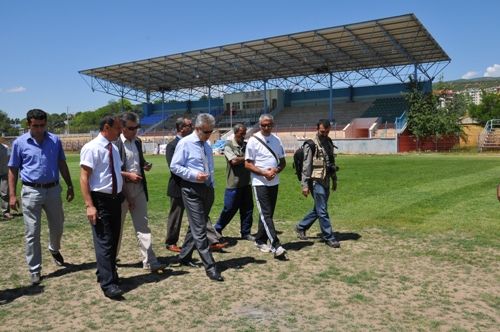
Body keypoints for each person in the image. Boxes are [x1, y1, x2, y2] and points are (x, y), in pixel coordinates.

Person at [8, 109, 74, 285]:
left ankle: (54, 248)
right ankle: (35, 269)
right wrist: (12, 195)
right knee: (32, 232)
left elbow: (62, 163)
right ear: (28, 124)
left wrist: (69, 185)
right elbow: (13, 169)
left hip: (53, 190)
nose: (39, 129)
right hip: (31, 191)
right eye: (35, 125)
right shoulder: (19, 143)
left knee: (58, 226)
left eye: (42, 125)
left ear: (46, 124)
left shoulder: (54, 140)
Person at [170, 113, 224, 282]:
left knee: (195, 225)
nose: (209, 135)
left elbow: (210, 166)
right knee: (200, 229)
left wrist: (211, 184)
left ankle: (184, 256)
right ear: (197, 128)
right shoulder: (185, 143)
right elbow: (174, 166)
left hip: (207, 189)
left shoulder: (207, 145)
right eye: (206, 132)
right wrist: (194, 175)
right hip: (192, 189)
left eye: (211, 131)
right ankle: (210, 267)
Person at [80, 115, 124, 299]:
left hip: (116, 199)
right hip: (101, 200)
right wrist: (90, 205)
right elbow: (84, 178)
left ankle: (107, 273)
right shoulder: (91, 148)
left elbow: (113, 172)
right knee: (104, 240)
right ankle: (108, 284)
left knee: (113, 239)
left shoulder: (113, 147)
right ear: (107, 127)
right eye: (118, 128)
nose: (121, 132)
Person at [115, 112, 165, 272]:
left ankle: (150, 261)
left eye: (137, 127)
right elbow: (112, 170)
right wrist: (128, 175)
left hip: (138, 189)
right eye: (131, 128)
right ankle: (111, 258)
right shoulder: (115, 144)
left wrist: (145, 165)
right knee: (117, 228)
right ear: (122, 127)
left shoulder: (137, 142)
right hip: (120, 191)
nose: (135, 130)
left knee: (143, 226)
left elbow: (139, 162)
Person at [244, 114, 287, 259]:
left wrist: (276, 170)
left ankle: (260, 239)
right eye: (263, 125)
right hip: (259, 182)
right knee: (266, 214)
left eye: (269, 125)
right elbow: (247, 163)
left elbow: (283, 162)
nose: (266, 127)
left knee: (268, 214)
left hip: (274, 182)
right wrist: (263, 173)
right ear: (259, 125)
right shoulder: (253, 140)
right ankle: (276, 245)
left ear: (273, 125)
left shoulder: (277, 140)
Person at [295, 119, 341, 248]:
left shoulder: (329, 142)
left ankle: (301, 227)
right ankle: (329, 237)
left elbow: (331, 163)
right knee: (322, 210)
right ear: (317, 129)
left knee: (319, 209)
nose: (325, 134)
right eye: (322, 131)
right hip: (315, 181)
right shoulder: (310, 145)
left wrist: (334, 180)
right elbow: (306, 166)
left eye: (327, 131)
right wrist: (304, 185)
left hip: (326, 180)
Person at [214, 123, 254, 240]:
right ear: (235, 133)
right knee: (229, 208)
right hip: (233, 184)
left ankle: (245, 232)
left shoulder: (246, 145)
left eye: (245, 133)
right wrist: (247, 157)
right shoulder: (229, 145)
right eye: (241, 133)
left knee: (247, 209)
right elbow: (234, 161)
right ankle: (217, 228)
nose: (244, 135)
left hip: (246, 183)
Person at [165, 116, 192, 253]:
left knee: (200, 214)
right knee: (176, 217)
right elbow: (173, 167)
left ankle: (212, 240)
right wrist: (192, 173)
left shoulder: (191, 143)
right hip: (178, 186)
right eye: (189, 125)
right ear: (181, 128)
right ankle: (171, 242)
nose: (192, 127)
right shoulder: (172, 145)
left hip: (193, 185)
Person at [0, 141, 12, 220]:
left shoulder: (6, 148)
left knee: (4, 193)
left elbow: (11, 159)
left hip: (4, 172)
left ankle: (6, 212)